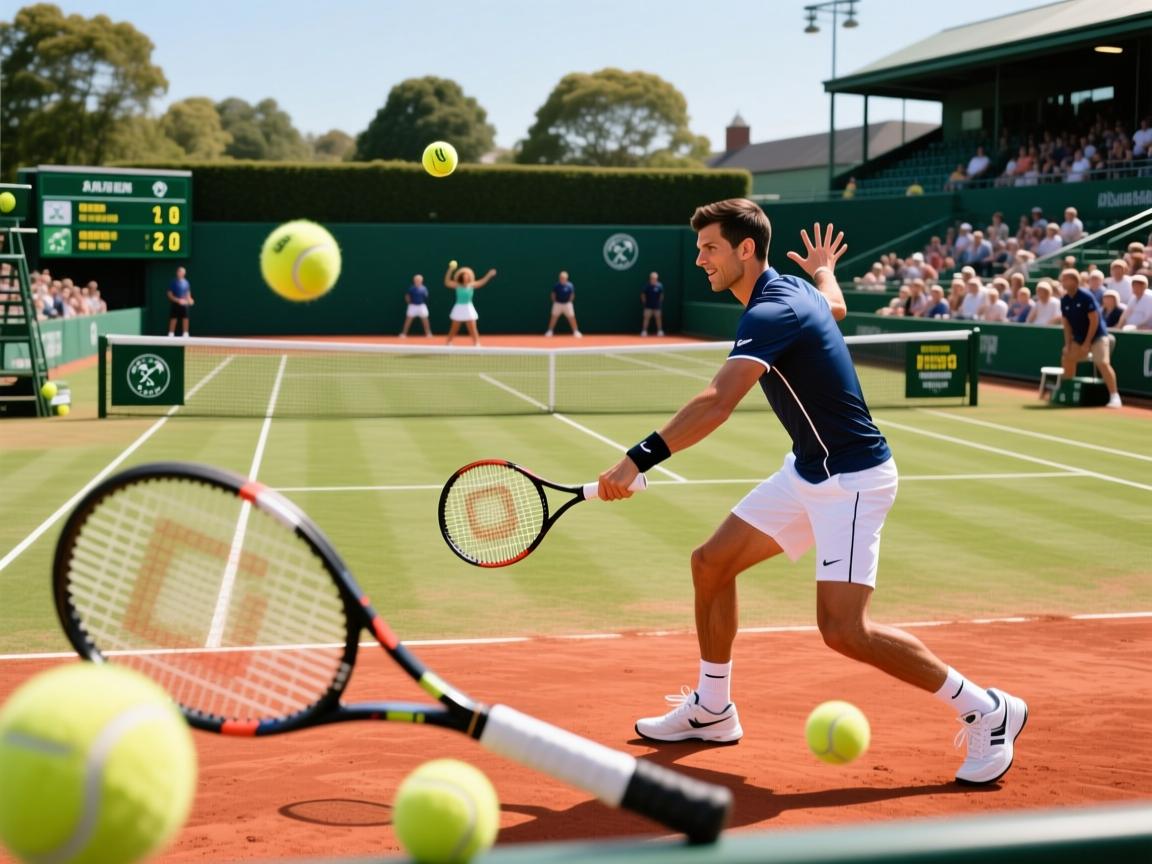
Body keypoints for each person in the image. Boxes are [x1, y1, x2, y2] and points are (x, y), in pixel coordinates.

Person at [596, 199, 1027, 786]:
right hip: (809, 471)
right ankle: (713, 709)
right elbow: (838, 305)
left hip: (851, 481)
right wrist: (824, 268)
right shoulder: (794, 289)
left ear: (745, 249)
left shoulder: (770, 311)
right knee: (711, 564)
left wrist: (637, 460)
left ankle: (986, 708)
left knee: (845, 630)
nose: (700, 260)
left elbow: (718, 402)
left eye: (709, 248)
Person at [1058, 268, 1121, 408]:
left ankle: (1114, 396)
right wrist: (1068, 344)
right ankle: (1068, 391)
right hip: (1079, 338)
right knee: (1067, 356)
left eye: (1065, 279)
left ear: (1074, 281)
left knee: (1102, 362)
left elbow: (1094, 320)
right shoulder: (1064, 300)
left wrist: (1087, 343)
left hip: (1098, 336)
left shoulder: (1086, 296)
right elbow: (1066, 324)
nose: (1062, 282)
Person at [444, 262, 496, 346]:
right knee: (454, 328)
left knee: (472, 328)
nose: (465, 276)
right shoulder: (457, 285)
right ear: (461, 277)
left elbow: (482, 282)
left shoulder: (472, 285)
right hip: (459, 308)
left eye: (467, 275)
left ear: (469, 277)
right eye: (464, 275)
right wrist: (450, 270)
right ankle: (448, 343)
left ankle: (476, 344)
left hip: (468, 307)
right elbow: (446, 282)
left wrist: (489, 275)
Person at [545, 270, 582, 337]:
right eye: (561, 278)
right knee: (554, 317)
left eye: (563, 278)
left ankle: (576, 331)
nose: (562, 279)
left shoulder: (570, 285)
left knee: (572, 318)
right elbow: (553, 294)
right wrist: (555, 301)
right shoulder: (556, 285)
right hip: (558, 304)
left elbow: (572, 295)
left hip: (567, 304)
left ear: (566, 278)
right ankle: (550, 331)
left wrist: (569, 302)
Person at [167, 266, 193, 337]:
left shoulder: (186, 282)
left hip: (184, 304)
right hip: (175, 303)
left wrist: (189, 299)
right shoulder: (173, 282)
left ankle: (185, 333)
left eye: (183, 272)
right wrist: (178, 300)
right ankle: (171, 333)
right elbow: (169, 294)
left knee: (185, 318)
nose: (181, 273)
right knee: (174, 318)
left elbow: (188, 293)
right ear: (177, 273)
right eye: (180, 272)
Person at [640, 272, 665, 336]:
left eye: (655, 278)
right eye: (653, 278)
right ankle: (644, 331)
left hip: (657, 306)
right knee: (646, 318)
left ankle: (660, 331)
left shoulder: (660, 286)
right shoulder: (647, 286)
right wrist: (645, 303)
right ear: (650, 278)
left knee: (658, 318)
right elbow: (643, 295)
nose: (654, 279)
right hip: (648, 306)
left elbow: (661, 296)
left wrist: (659, 303)